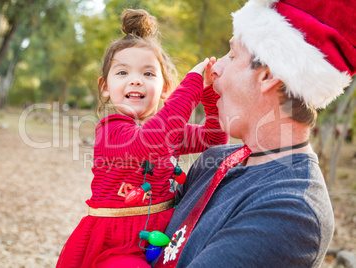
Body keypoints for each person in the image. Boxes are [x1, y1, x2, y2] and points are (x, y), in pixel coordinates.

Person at [152, 0, 356, 267]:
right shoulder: (212, 161)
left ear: (268, 76)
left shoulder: (292, 211)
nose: (214, 68)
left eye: (233, 55)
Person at [56, 9, 228, 268]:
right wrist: (192, 84)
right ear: (105, 86)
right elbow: (147, 144)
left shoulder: (167, 131)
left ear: (166, 88)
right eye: (123, 73)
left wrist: (209, 97)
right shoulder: (111, 130)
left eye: (148, 74)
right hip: (116, 246)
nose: (135, 81)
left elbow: (213, 139)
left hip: (164, 238)